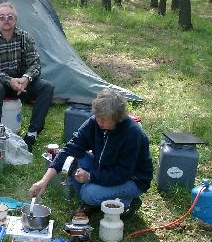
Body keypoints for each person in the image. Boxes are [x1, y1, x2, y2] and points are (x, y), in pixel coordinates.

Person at [28, 88, 153, 219]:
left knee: (88, 193)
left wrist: (90, 176)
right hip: (104, 166)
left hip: (131, 179)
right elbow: (70, 148)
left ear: (117, 118)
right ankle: (98, 199)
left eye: (105, 119)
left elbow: (122, 173)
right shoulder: (95, 122)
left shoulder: (132, 134)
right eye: (98, 117)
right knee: (72, 160)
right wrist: (44, 180)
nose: (100, 122)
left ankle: (127, 200)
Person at [0, 2, 54, 152]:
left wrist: (26, 78)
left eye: (10, 16)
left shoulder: (25, 37)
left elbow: (35, 64)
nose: (6, 20)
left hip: (21, 83)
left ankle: (32, 134)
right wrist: (9, 81)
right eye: (2, 17)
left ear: (15, 20)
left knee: (47, 87)